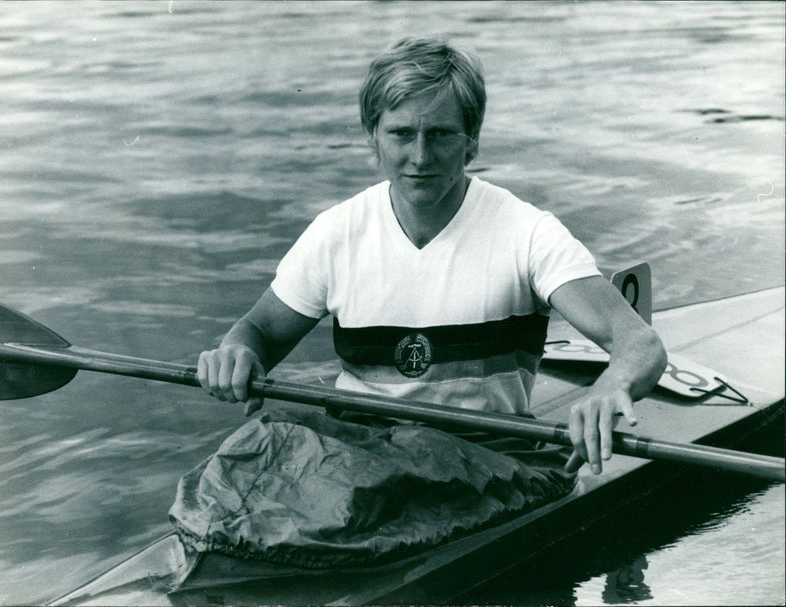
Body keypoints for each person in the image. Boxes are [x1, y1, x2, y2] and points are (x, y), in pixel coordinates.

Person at [197, 37, 667, 476]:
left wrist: (611, 387)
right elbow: (258, 332)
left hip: (487, 462)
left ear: (472, 140)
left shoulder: (527, 232)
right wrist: (236, 354)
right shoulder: (336, 233)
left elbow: (639, 342)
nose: (421, 156)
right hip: (358, 458)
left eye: (441, 134)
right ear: (373, 138)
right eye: (401, 133)